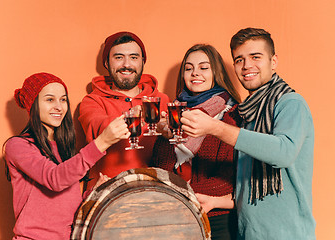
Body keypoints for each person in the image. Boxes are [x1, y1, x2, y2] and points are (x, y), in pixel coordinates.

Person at [180, 28, 316, 239]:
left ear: (273, 61)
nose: (247, 66)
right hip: (248, 234)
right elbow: (247, 185)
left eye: (255, 57)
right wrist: (217, 201)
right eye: (239, 59)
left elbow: (283, 152)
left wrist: (216, 128)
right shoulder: (247, 113)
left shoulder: (290, 103)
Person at [3, 72, 130, 240]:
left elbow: (64, 206)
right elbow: (54, 179)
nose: (59, 106)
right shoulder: (18, 146)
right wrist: (103, 142)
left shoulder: (63, 149)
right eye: (50, 99)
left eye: (63, 99)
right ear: (33, 105)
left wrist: (93, 193)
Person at [151, 44, 242, 240]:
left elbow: (228, 180)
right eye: (189, 68)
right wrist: (166, 138)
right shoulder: (173, 113)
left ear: (216, 72)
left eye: (203, 67)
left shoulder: (232, 115)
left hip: (217, 220)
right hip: (175, 219)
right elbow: (160, 170)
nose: (195, 73)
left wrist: (175, 194)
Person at [78, 31, 170, 190]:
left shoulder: (161, 100)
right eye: (119, 57)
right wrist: (130, 116)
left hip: (155, 194)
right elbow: (97, 127)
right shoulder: (92, 101)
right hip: (108, 196)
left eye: (134, 57)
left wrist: (170, 135)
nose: (127, 64)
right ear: (107, 63)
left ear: (142, 62)